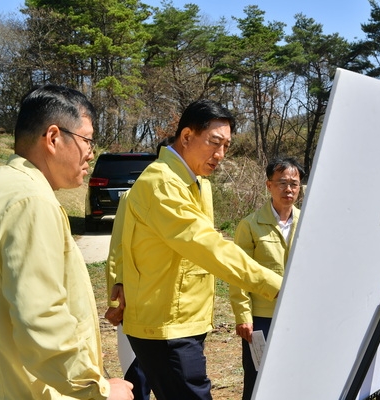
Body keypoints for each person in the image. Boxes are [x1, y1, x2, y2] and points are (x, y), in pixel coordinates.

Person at [115, 99, 283, 400]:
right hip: (165, 324)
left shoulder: (196, 182)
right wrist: (277, 286)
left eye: (227, 146)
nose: (220, 155)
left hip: (186, 317)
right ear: (187, 136)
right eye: (214, 143)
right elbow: (207, 245)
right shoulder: (161, 183)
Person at [0, 84, 133, 399]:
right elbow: (41, 316)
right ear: (53, 138)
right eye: (87, 140)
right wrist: (97, 389)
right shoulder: (30, 201)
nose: (91, 152)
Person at [104, 137, 175, 400]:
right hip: (139, 305)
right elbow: (117, 251)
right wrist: (116, 301)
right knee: (139, 380)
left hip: (176, 312)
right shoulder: (134, 196)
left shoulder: (198, 193)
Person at [229, 156, 305, 400]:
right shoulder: (250, 225)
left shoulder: (309, 223)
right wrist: (243, 316)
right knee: (257, 377)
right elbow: (239, 274)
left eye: (294, 183)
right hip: (262, 318)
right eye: (281, 182)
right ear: (268, 185)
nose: (289, 189)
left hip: (299, 315)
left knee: (295, 375)